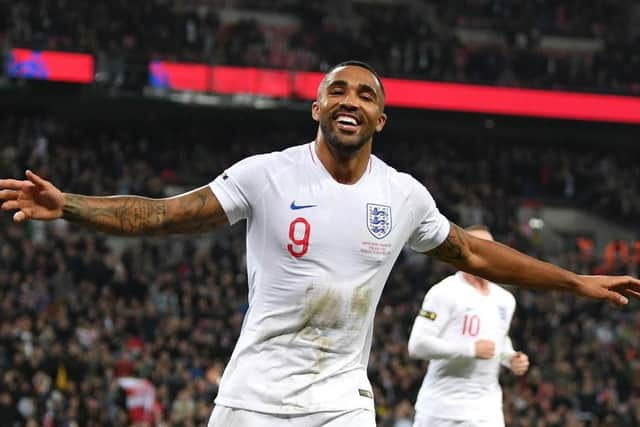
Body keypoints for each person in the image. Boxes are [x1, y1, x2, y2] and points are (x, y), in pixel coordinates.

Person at [1, 60, 639, 427]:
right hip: (251, 397)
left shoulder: (403, 196)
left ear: (380, 120)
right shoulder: (267, 174)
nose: (350, 100)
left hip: (340, 403)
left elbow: (475, 254)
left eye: (365, 94)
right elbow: (165, 215)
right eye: (338, 89)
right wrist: (72, 206)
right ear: (316, 107)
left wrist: (575, 280)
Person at [408, 225, 529, 427]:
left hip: (487, 412)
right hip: (441, 411)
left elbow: (498, 339)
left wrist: (510, 357)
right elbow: (417, 345)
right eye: (478, 246)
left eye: (490, 247)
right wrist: (470, 349)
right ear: (463, 251)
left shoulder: (505, 299)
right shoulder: (444, 292)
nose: (486, 251)